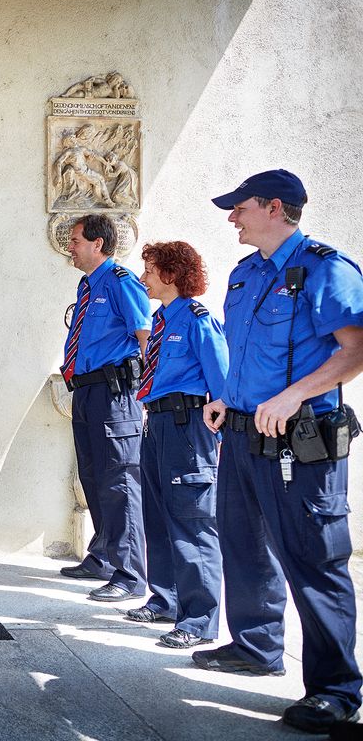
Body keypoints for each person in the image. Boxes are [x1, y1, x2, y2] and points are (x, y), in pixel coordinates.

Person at [199, 170, 363, 734]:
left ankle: (336, 691)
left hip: (300, 441)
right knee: (242, 544)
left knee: (314, 560)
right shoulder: (245, 275)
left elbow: (355, 349)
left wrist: (293, 396)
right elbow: (242, 353)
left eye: (238, 207)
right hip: (242, 434)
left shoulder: (324, 268)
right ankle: (255, 646)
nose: (231, 218)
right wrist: (225, 397)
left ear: (273, 208)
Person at [125, 241, 227, 649]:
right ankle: (166, 598)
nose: (143, 277)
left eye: (149, 270)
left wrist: (216, 437)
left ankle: (199, 619)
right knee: (158, 516)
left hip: (188, 427)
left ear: (170, 273)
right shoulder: (162, 319)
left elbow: (222, 385)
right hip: (158, 424)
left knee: (192, 522)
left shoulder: (198, 320)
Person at [58, 213, 150, 602]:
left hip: (115, 396)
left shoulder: (120, 282)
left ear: (98, 244)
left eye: (76, 241)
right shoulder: (87, 285)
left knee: (120, 482)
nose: (71, 248)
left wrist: (148, 394)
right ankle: (103, 557)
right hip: (87, 392)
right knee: (93, 477)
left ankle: (130, 576)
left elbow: (146, 336)